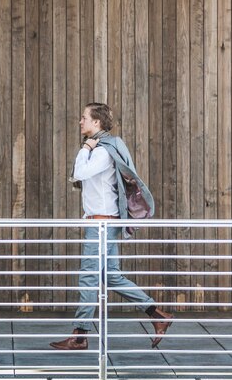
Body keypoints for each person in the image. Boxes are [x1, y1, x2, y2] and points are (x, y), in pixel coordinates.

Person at [50, 102, 173, 350]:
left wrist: (85, 147)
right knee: (111, 276)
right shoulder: (105, 148)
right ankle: (157, 314)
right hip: (105, 222)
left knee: (88, 277)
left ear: (97, 123)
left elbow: (78, 173)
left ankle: (79, 335)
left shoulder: (103, 151)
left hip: (102, 223)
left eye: (84, 117)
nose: (80, 121)